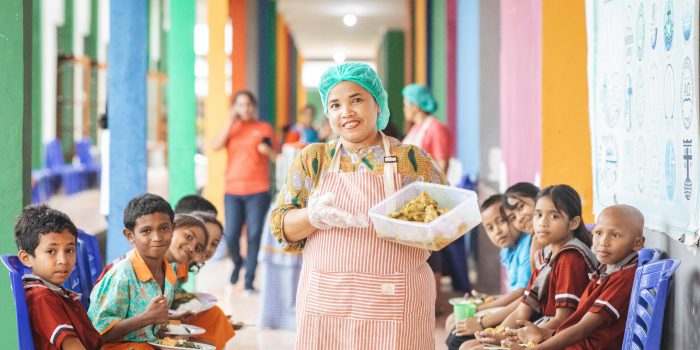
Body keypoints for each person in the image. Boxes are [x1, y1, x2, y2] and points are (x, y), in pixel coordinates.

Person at [270, 62, 447, 349]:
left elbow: (445, 223)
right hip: (328, 304)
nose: (346, 112)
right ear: (328, 114)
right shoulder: (313, 160)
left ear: (377, 105)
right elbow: (281, 227)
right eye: (335, 104)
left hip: (396, 302)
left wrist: (412, 224)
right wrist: (312, 217)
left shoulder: (412, 160)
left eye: (356, 100)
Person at [461, 185, 598, 350]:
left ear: (573, 222)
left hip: (559, 337)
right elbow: (522, 309)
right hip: (541, 329)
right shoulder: (546, 255)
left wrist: (511, 336)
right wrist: (499, 333)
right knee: (469, 345)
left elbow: (563, 321)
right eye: (538, 215)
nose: (543, 223)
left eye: (554, 216)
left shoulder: (571, 258)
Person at [504, 205, 645, 350]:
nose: (603, 242)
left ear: (637, 243)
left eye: (614, 235)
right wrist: (543, 333)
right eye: (598, 232)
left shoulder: (623, 278)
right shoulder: (605, 271)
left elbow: (583, 329)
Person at [88, 193, 176, 350]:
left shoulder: (170, 272)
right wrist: (146, 318)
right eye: (146, 231)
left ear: (173, 228)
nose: (157, 237)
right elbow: (96, 333)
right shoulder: (122, 276)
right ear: (130, 235)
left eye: (163, 228)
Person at [445, 195, 532, 349]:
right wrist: (490, 299)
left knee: (458, 336)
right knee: (452, 322)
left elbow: (522, 294)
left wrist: (480, 311)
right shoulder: (507, 251)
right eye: (490, 228)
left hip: (524, 315)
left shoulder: (528, 246)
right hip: (516, 308)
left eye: (501, 221)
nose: (497, 231)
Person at [212, 90, 277, 294]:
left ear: (253, 107)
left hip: (258, 189)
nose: (245, 108)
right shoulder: (232, 128)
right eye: (241, 105)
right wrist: (230, 122)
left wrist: (269, 152)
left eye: (248, 104)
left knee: (254, 234)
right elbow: (215, 146)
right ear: (235, 108)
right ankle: (238, 262)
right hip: (233, 189)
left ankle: (249, 279)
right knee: (230, 234)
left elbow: (277, 155)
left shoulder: (263, 128)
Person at [15, 205, 103, 350]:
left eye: (69, 250)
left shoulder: (56, 292)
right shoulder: (41, 297)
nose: (63, 260)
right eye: (51, 251)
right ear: (26, 258)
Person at [402, 83, 455, 310]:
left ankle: (434, 303)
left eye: (406, 104)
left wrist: (432, 195)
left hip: (429, 198)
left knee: (431, 252)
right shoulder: (415, 129)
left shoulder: (435, 128)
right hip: (412, 200)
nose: (404, 108)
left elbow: (442, 164)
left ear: (414, 105)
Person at [501, 183, 546, 272]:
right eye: (513, 218)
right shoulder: (531, 243)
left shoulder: (561, 231)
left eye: (521, 207)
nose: (520, 218)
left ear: (538, 198)